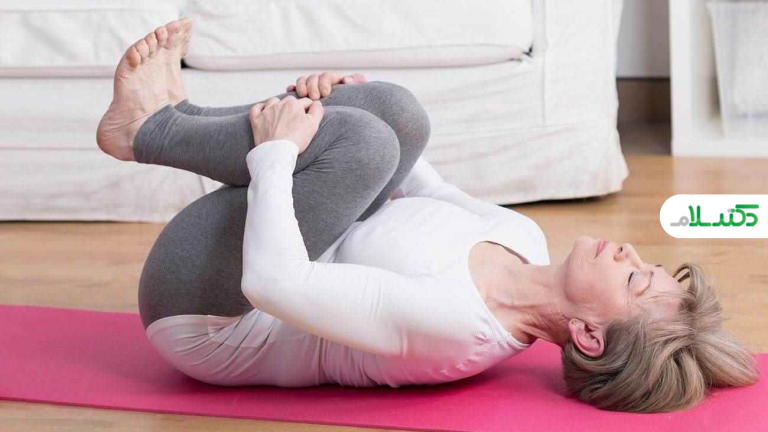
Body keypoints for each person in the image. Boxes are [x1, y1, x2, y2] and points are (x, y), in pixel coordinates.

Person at [96, 19, 759, 413]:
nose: (629, 254)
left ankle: (148, 131)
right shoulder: (523, 240)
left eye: (634, 279)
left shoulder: (457, 329)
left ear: (588, 335)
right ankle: (171, 118)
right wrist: (343, 101)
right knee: (396, 115)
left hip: (212, 312)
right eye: (646, 264)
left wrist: (277, 154)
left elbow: (274, 284)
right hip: (283, 248)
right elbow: (418, 177)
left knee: (365, 144)